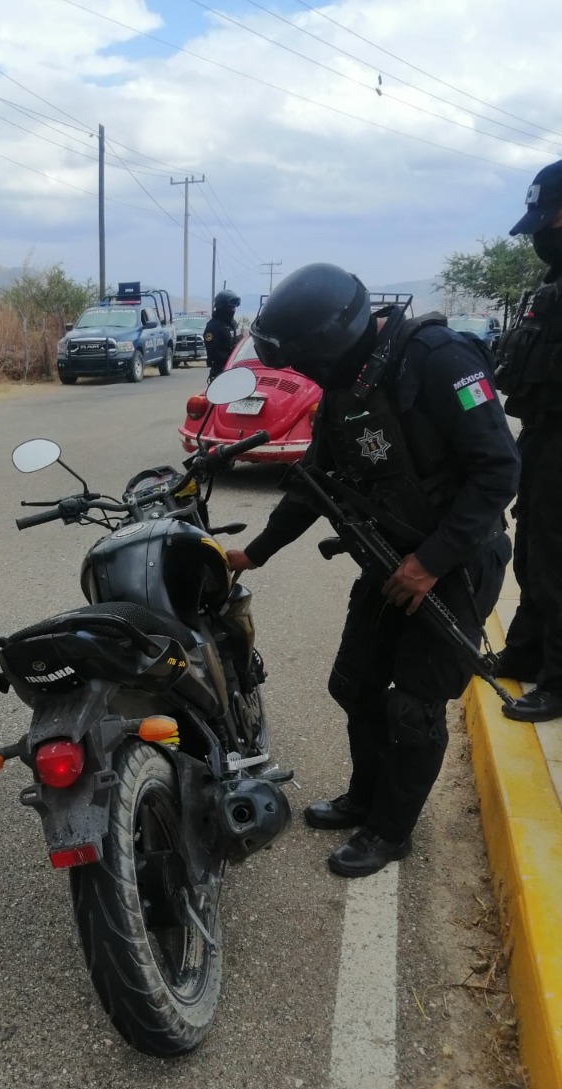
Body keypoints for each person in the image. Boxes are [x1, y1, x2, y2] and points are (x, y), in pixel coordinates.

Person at [226, 263, 519, 878]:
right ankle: (365, 797)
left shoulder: (440, 359)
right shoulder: (349, 383)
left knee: (413, 709)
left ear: (327, 344)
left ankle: (391, 831)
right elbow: (315, 484)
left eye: (306, 361)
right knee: (354, 685)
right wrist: (254, 552)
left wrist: (430, 562)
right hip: (389, 562)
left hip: (456, 565)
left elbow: (498, 470)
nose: (306, 375)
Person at [493, 158, 562, 723]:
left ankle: (560, 679)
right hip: (544, 438)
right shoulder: (550, 285)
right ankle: (527, 652)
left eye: (550, 220)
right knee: (536, 549)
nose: (541, 233)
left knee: (560, 559)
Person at [203, 288, 241, 379]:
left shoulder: (233, 324)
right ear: (221, 307)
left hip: (236, 369)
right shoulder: (213, 327)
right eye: (230, 307)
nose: (233, 310)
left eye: (234, 307)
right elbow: (213, 352)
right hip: (221, 372)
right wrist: (231, 357)